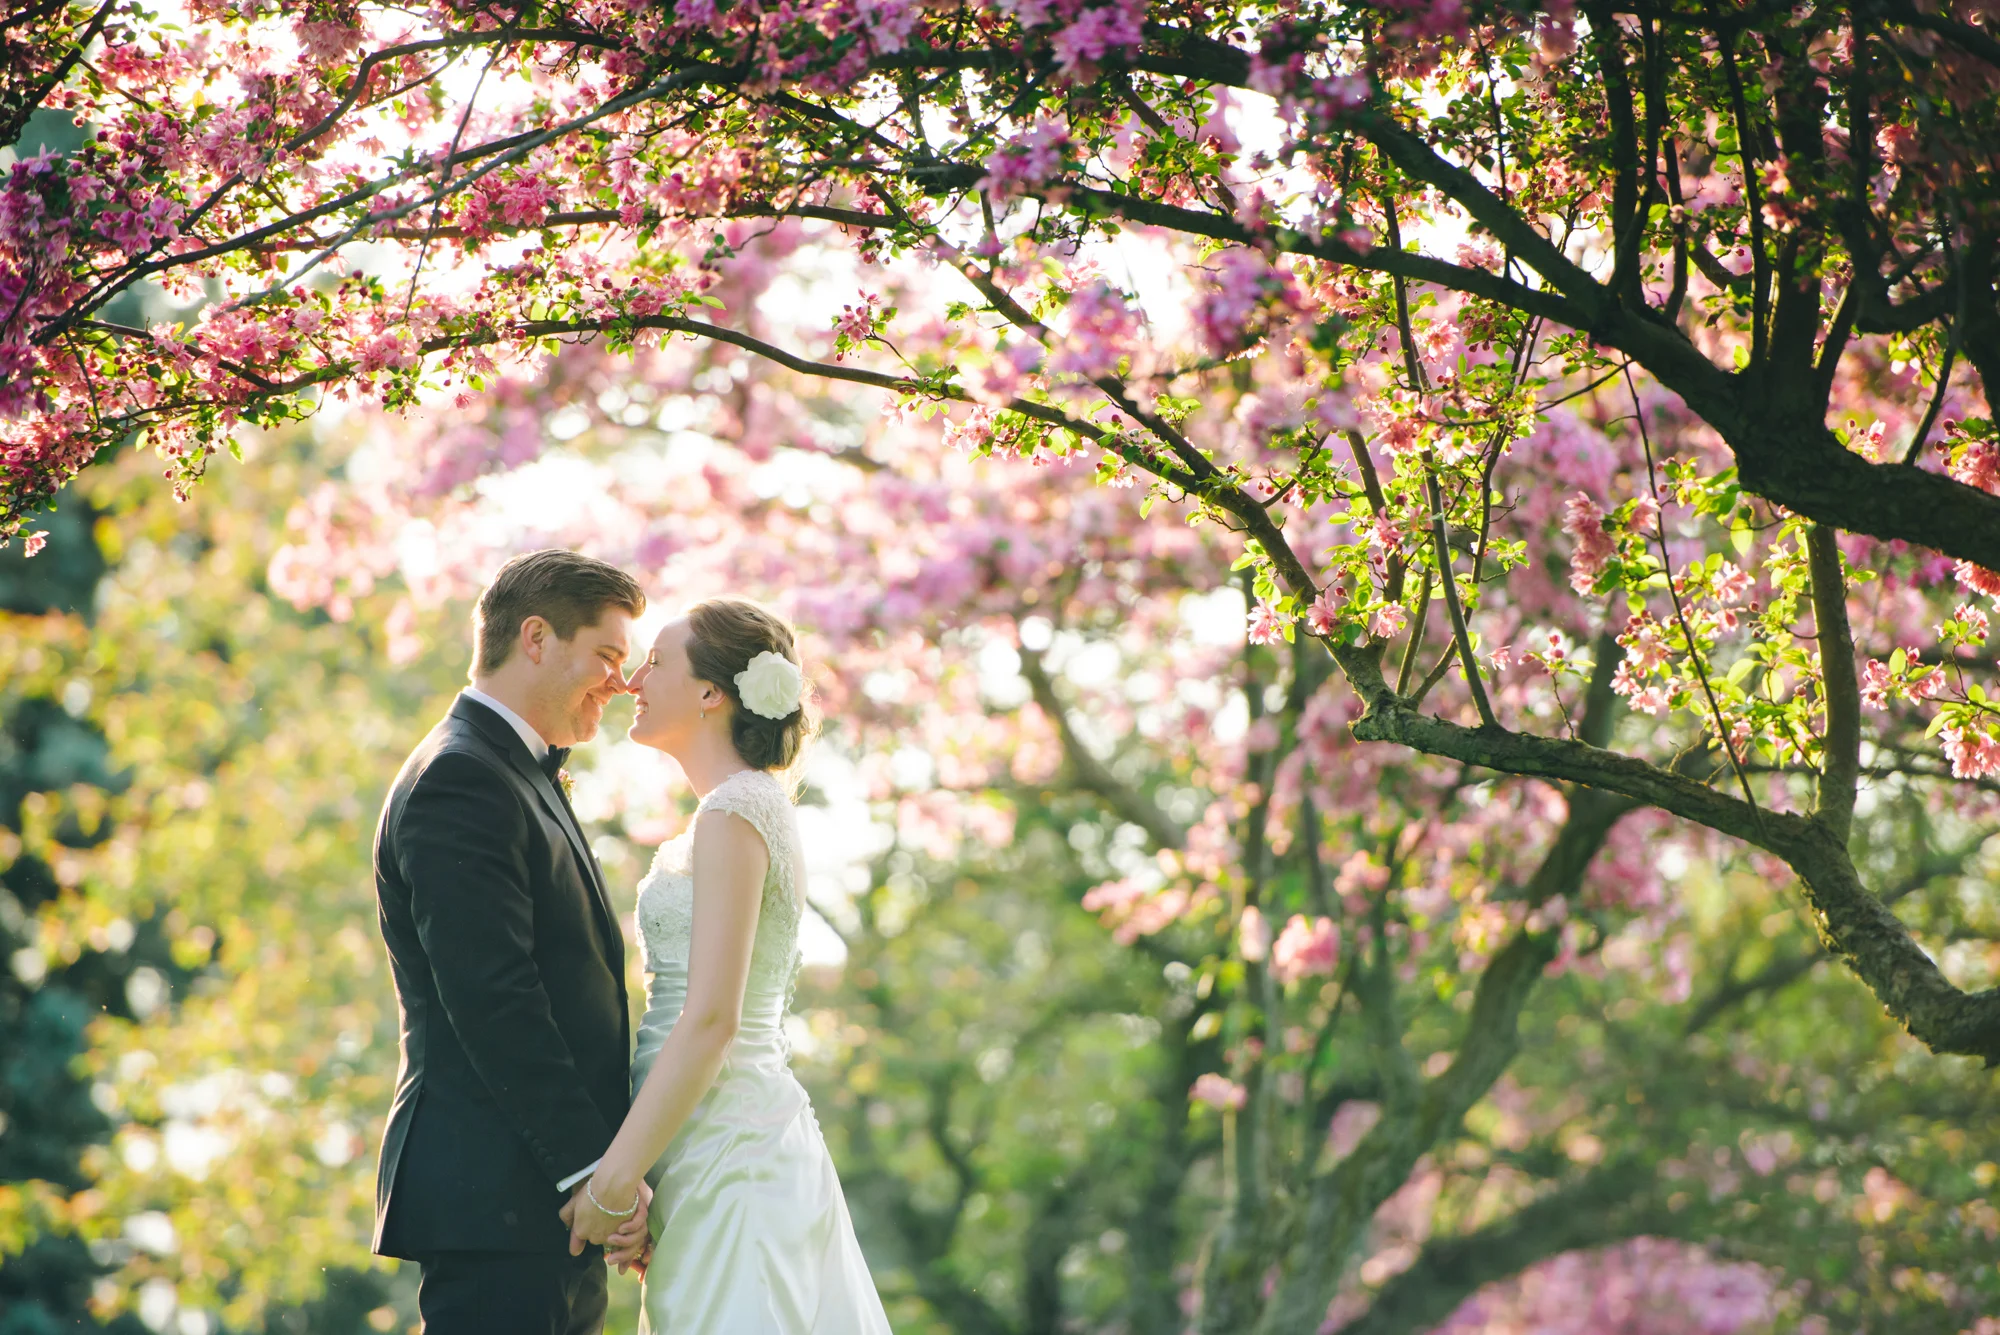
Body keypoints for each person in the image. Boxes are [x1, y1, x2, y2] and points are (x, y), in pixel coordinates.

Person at [561, 598, 891, 1333]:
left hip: (735, 1162)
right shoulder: (736, 808)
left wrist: (613, 1183)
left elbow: (711, 1021)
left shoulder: (735, 811)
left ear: (712, 693)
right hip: (703, 1152)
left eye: (657, 662)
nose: (632, 679)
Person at [371, 549, 652, 1335]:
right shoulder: (460, 778)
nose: (620, 682)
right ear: (535, 638)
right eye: (606, 655)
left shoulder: (520, 770)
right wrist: (594, 1174)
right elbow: (494, 996)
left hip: (544, 1206)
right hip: (499, 1197)